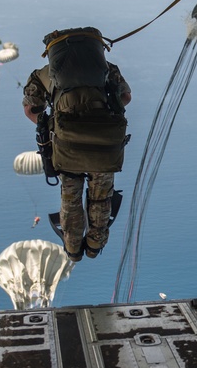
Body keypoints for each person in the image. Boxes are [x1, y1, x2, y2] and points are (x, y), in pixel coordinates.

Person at [23, 27, 131, 262]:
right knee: (101, 197)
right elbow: (125, 97)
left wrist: (51, 124)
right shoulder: (107, 69)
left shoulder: (43, 74)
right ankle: (94, 245)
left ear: (52, 51)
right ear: (96, 48)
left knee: (70, 199)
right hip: (105, 143)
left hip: (67, 144)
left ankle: (73, 250)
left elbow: (31, 108)